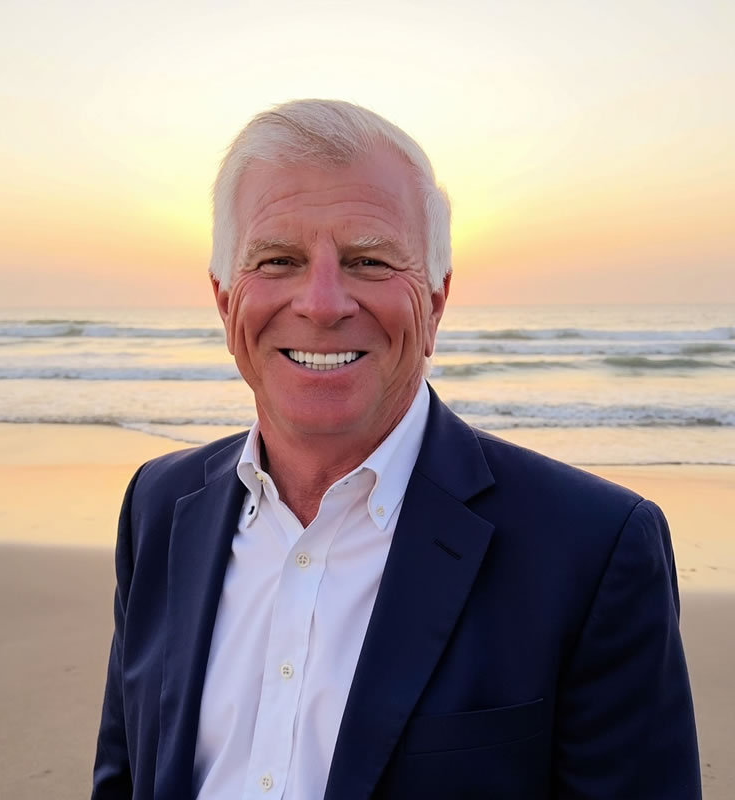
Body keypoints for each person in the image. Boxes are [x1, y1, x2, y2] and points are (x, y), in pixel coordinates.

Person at [91, 100, 701, 799]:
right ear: (225, 299)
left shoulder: (593, 549)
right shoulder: (159, 507)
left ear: (435, 302)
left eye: (369, 261)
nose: (323, 304)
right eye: (278, 260)